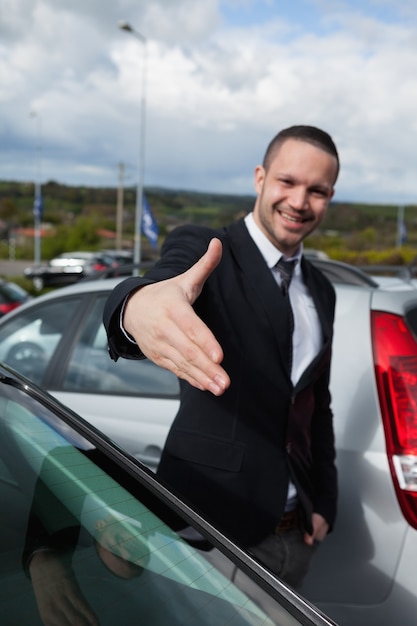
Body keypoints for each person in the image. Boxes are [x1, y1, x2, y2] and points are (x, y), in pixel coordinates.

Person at [103, 125, 339, 589]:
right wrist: (137, 307)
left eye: (317, 190)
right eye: (287, 182)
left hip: (296, 536)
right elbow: (159, 286)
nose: (299, 201)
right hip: (212, 528)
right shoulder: (207, 249)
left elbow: (317, 406)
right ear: (260, 177)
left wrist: (325, 502)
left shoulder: (322, 289)